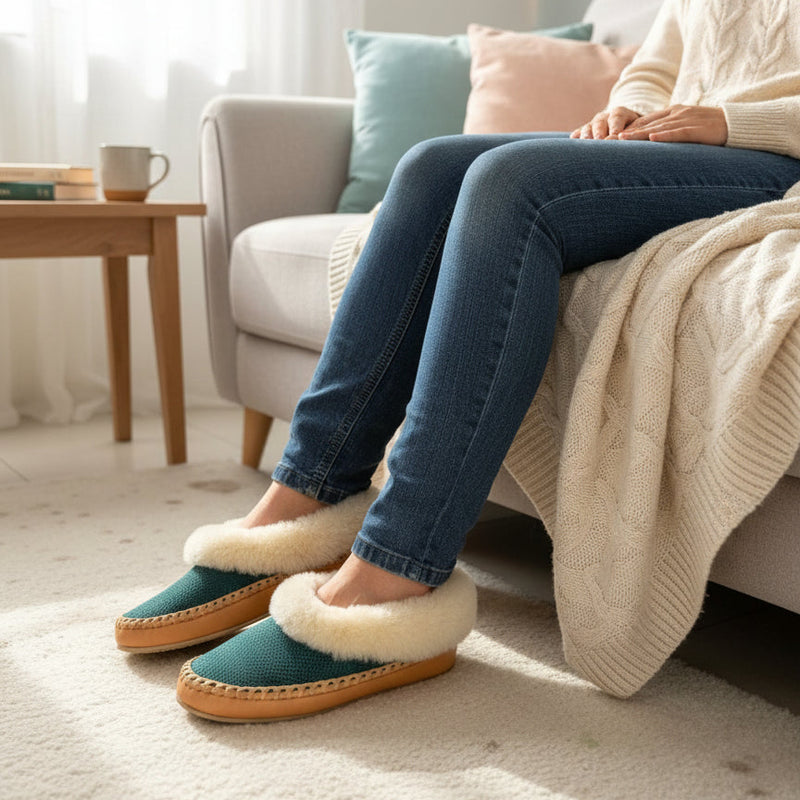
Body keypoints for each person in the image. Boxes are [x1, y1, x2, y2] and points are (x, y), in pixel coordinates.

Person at [118, 0, 800, 722]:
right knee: (435, 164)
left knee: (514, 186)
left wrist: (733, 124)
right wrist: (626, 113)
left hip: (772, 160)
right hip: (670, 147)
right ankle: (304, 501)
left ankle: (396, 573)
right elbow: (658, 64)